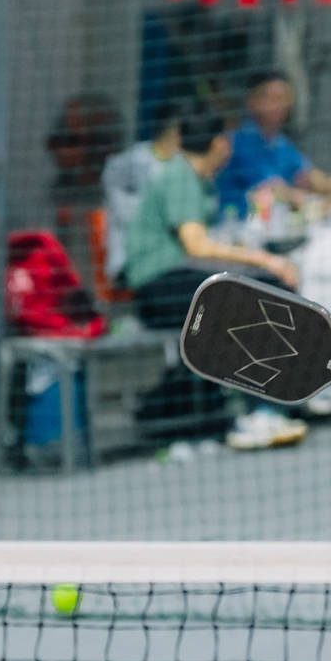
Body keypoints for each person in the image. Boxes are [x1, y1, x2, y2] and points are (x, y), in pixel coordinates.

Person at [123, 109, 302, 446]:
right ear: (219, 144)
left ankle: (266, 407)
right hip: (158, 289)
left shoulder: (194, 177)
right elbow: (196, 244)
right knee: (244, 304)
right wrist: (266, 259)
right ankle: (256, 414)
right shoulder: (179, 176)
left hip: (176, 278)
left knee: (264, 292)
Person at [216, 74, 331, 217]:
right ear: (253, 101)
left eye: (285, 98)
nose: (281, 104)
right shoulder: (238, 141)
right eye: (273, 98)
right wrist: (319, 204)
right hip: (235, 227)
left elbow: (310, 179)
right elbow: (273, 190)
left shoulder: (281, 143)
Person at [101, 110, 181, 285]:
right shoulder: (135, 161)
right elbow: (129, 215)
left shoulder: (176, 165)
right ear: (176, 133)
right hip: (130, 262)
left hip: (162, 260)